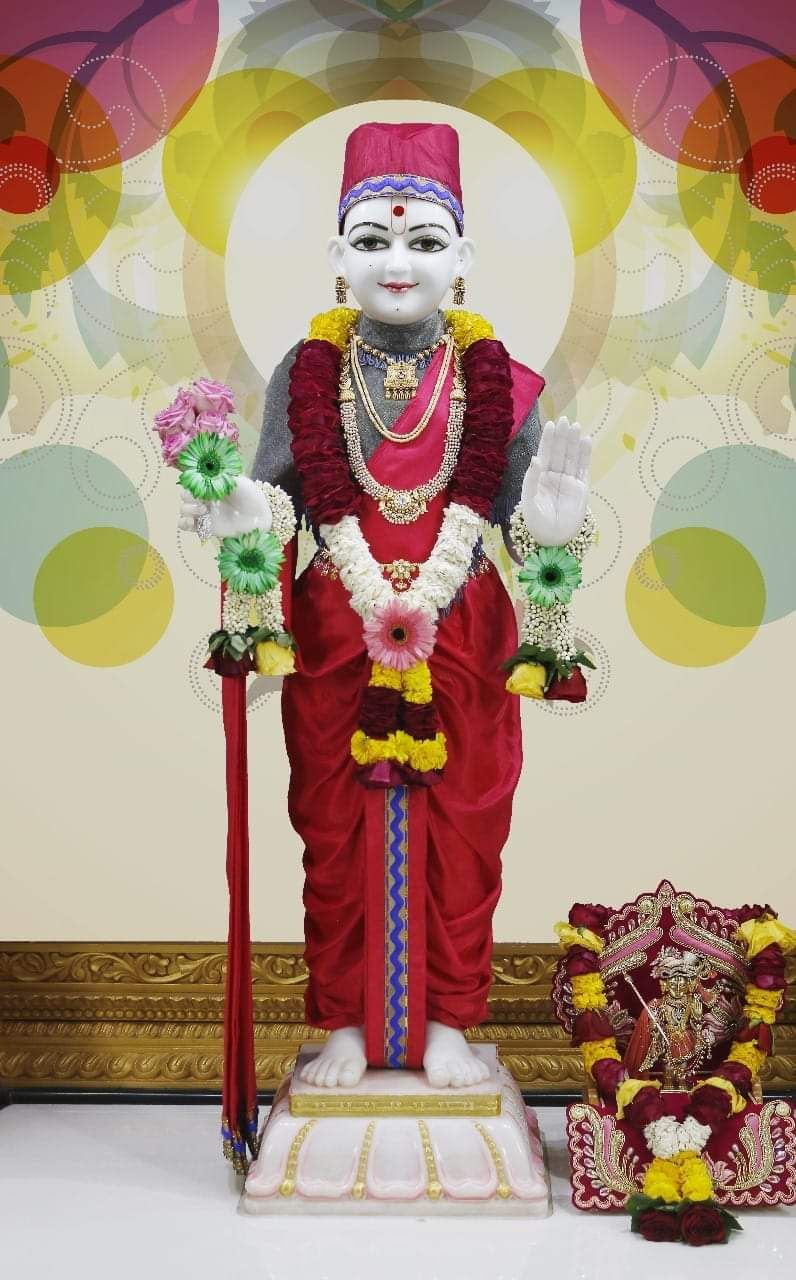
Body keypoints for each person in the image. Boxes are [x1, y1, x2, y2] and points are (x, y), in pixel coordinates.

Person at [180, 121, 592, 1092]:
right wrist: (243, 515)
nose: (397, 262)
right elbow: (279, 500)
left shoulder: (499, 380)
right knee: (334, 830)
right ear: (337, 257)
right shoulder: (306, 371)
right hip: (339, 631)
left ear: (463, 258)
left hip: (463, 632)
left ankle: (449, 1019)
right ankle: (343, 1022)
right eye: (372, 240)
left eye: (423, 240)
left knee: (464, 834)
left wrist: (550, 527)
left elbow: (524, 526)